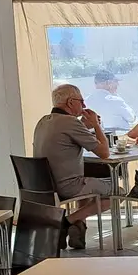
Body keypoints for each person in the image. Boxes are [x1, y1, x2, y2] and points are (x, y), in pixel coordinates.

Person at [33, 83, 111, 249]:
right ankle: (67, 222)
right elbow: (104, 153)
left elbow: (66, 137)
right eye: (81, 101)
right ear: (70, 102)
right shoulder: (70, 122)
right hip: (67, 186)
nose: (84, 105)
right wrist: (96, 125)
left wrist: (83, 126)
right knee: (118, 192)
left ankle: (78, 228)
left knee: (87, 186)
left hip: (43, 186)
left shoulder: (43, 121)